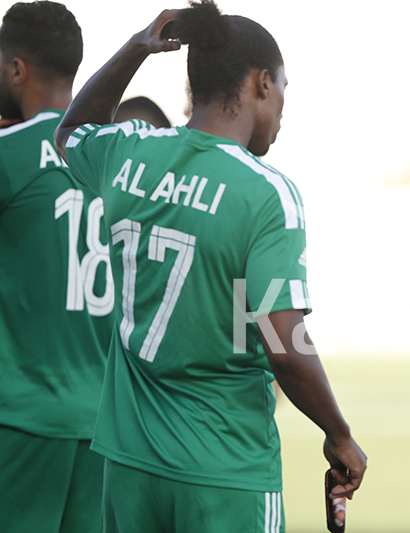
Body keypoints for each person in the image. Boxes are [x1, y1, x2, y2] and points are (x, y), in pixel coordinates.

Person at [53, 2, 365, 532]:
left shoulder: (130, 156)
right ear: (262, 83)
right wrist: (339, 435)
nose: (285, 106)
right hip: (224, 470)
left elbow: (71, 132)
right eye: (285, 87)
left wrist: (135, 48)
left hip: (129, 464)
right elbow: (285, 345)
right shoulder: (267, 193)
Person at [0, 2, 114, 533]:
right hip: (104, 429)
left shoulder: (9, 154)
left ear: (16, 68)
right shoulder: (121, 160)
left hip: (21, 418)